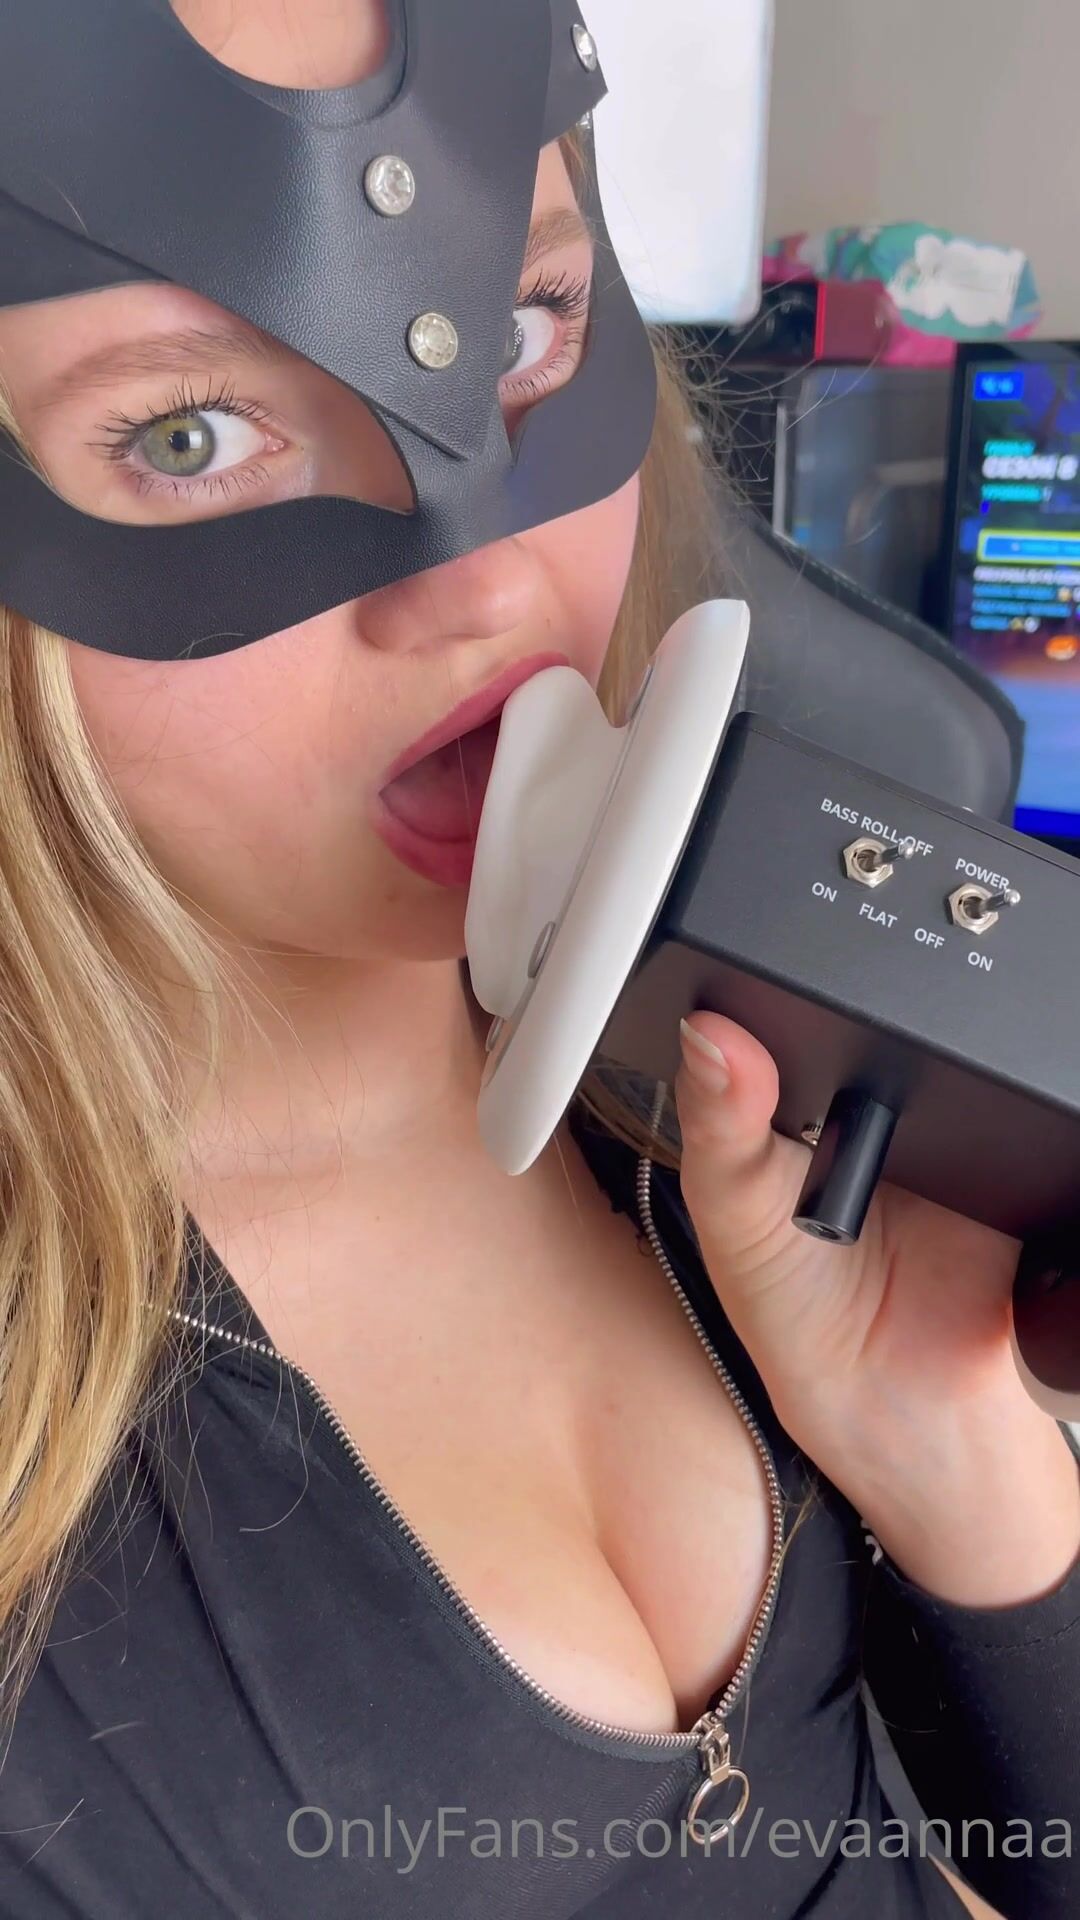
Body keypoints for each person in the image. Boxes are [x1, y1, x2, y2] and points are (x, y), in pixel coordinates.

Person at [0, 3, 1076, 1915]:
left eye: (509, 328)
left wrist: (955, 1464)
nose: (479, 587)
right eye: (188, 435)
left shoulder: (738, 1079)